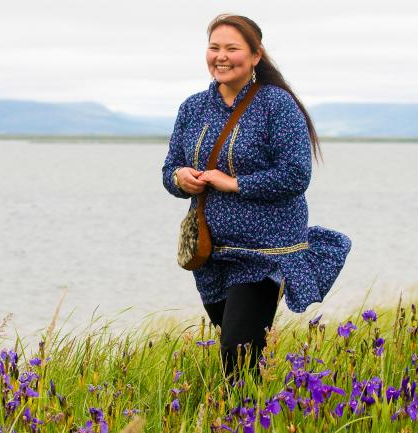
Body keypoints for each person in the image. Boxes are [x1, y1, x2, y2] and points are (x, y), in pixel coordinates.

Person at [161, 14, 351, 379]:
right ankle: (253, 409)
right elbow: (169, 170)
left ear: (255, 55)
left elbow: (296, 175)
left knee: (238, 351)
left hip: (266, 252)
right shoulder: (192, 108)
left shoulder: (276, 105)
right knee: (238, 349)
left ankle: (239, 416)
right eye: (214, 47)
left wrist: (233, 183)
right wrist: (181, 178)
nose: (221, 56)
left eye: (232, 48)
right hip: (212, 252)